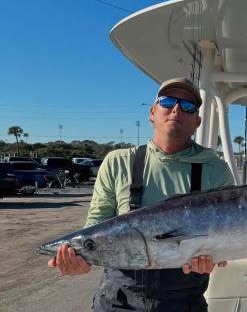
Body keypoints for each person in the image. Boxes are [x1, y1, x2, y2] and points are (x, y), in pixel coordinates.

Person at [48, 77, 235, 311]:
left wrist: (211, 260)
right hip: (117, 301)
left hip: (184, 302)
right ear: (152, 112)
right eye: (168, 102)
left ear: (197, 121)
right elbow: (96, 228)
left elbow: (226, 239)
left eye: (188, 106)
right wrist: (80, 260)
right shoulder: (118, 162)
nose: (177, 109)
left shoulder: (215, 169)